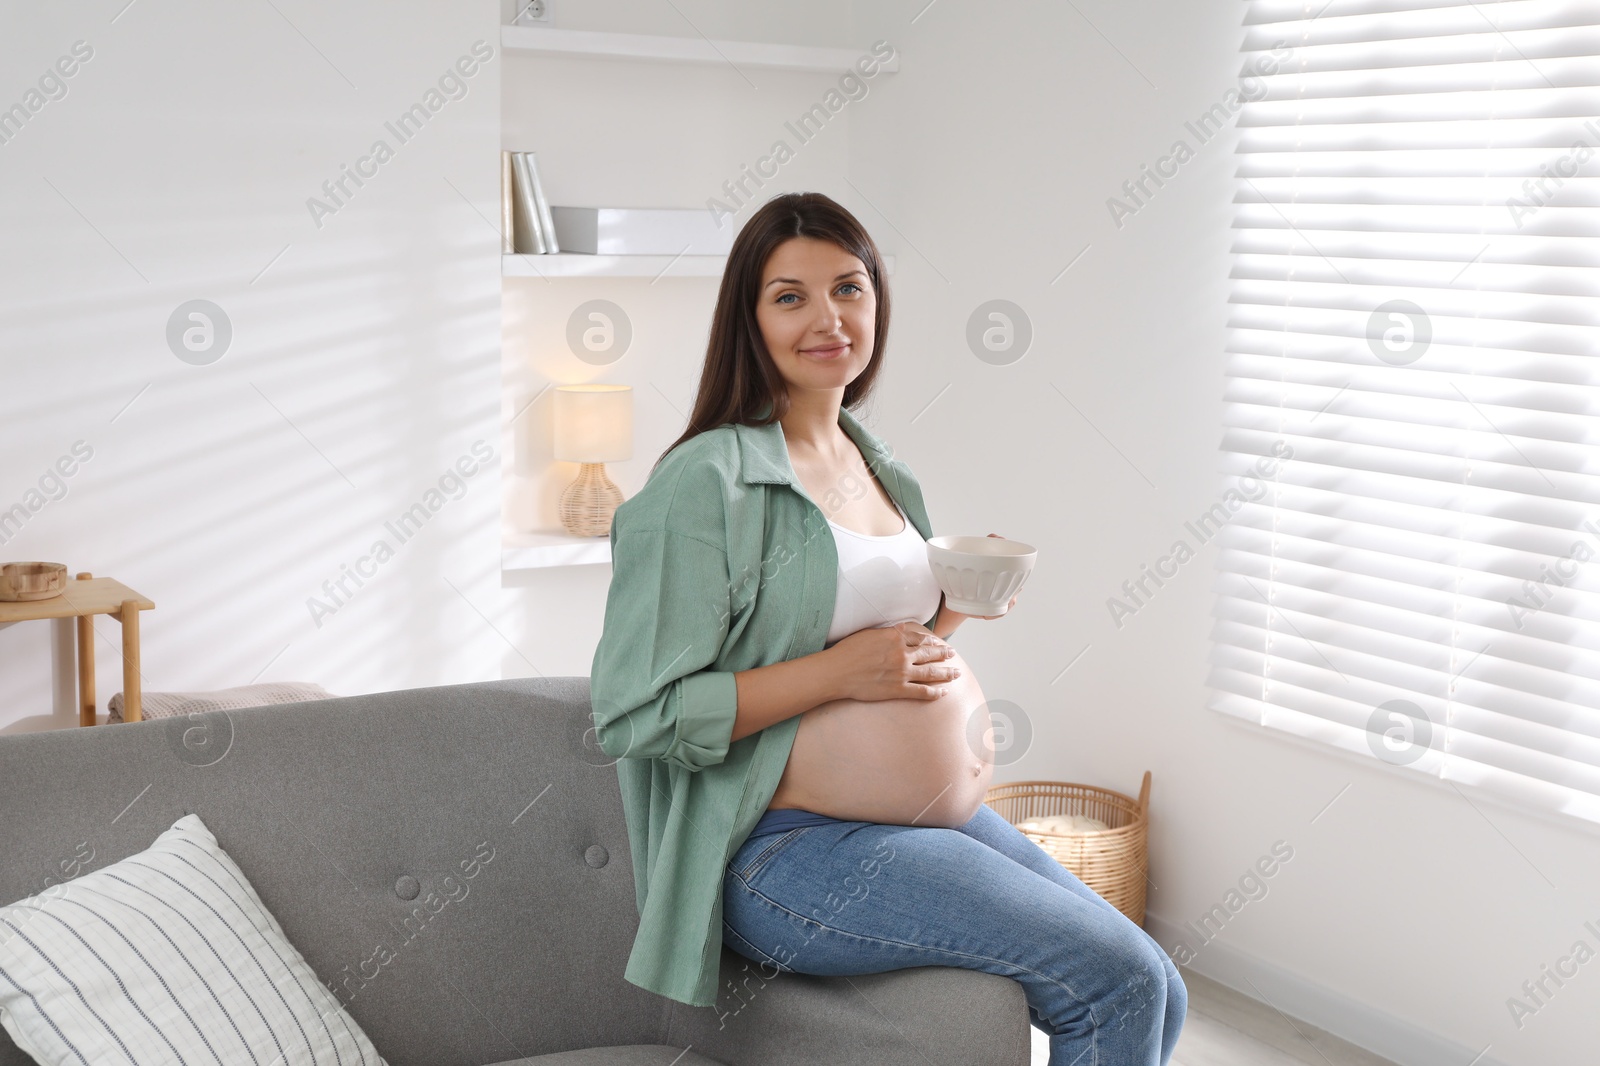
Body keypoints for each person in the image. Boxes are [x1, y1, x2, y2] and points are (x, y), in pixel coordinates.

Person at [589, 190, 1185, 1064]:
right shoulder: (704, 483)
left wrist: (953, 613)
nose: (828, 317)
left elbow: (881, 649)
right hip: (785, 850)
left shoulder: (876, 463)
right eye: (790, 296)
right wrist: (840, 678)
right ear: (748, 320)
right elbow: (637, 712)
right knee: (1116, 981)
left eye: (850, 287)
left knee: (1156, 980)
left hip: (920, 822)